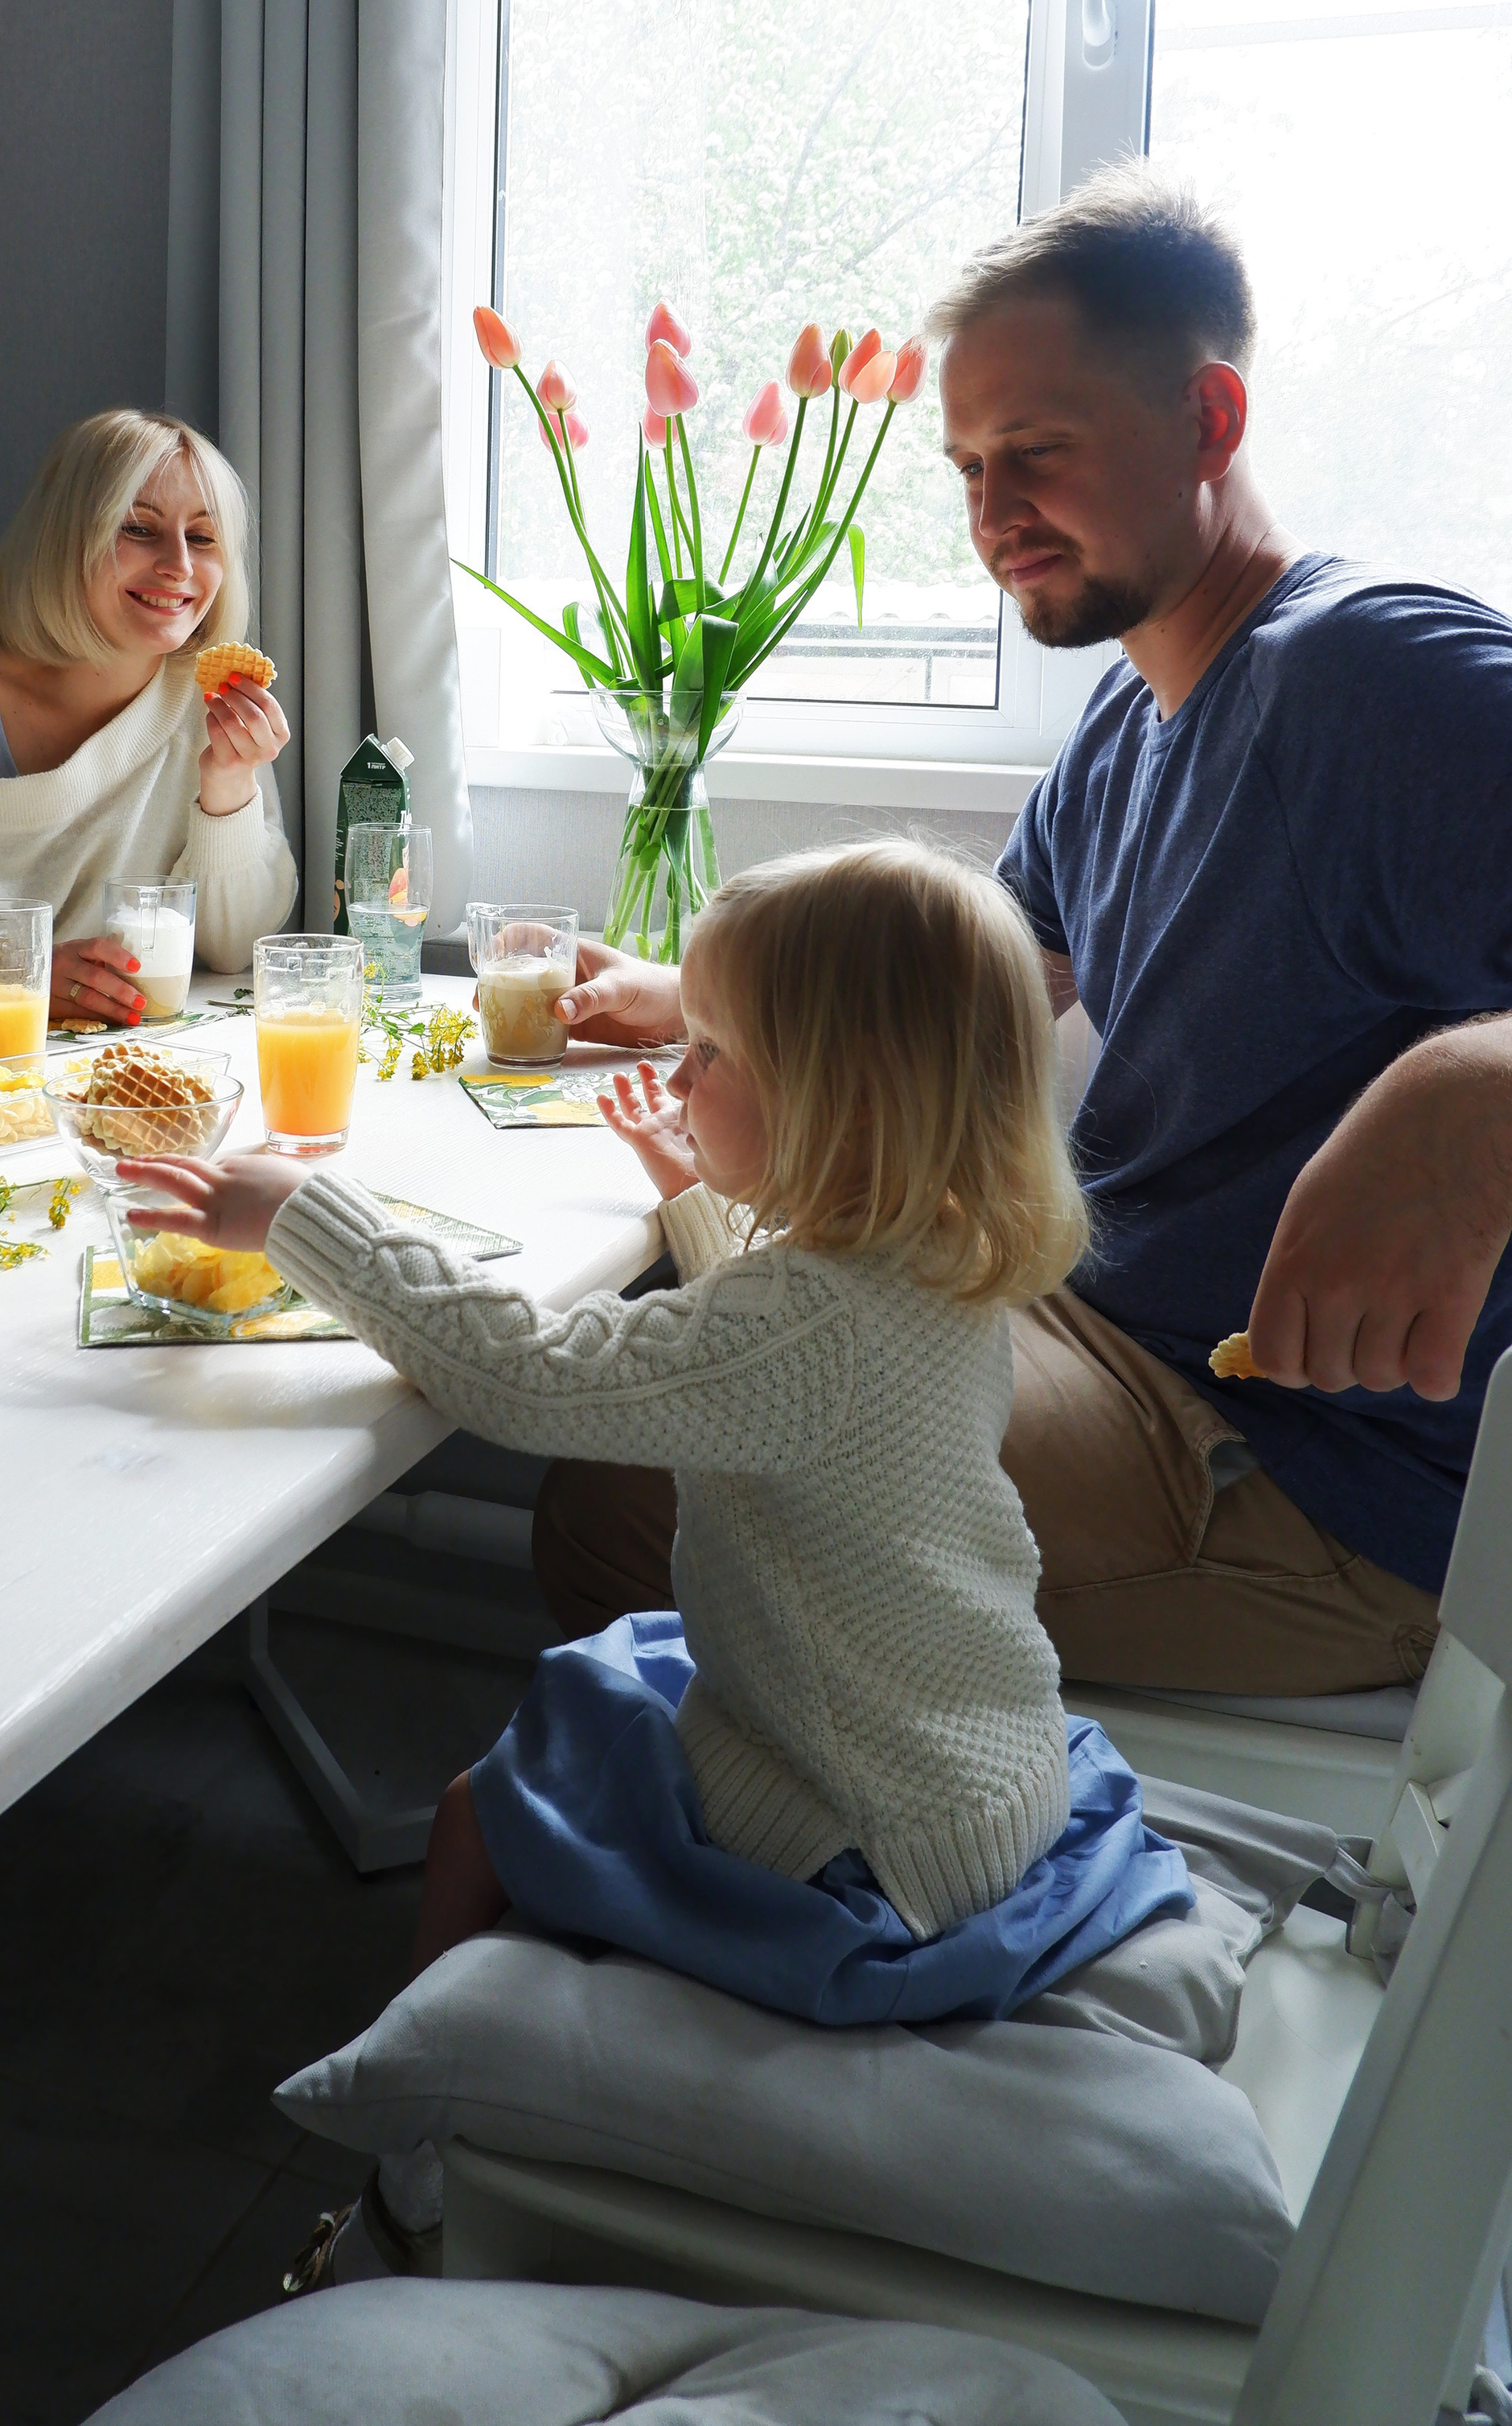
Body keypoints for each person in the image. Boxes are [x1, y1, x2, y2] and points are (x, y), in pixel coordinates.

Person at [124, 845, 1194, 2284]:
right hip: (976, 1765)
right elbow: (781, 1352)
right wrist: (705, 1203)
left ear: (839, 1104)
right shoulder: (941, 1256)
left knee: (474, 1812)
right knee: (610, 1673)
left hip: (864, 1832)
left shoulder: (800, 1329)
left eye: (712, 1055)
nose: (679, 1076)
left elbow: (526, 1377)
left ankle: (425, 2161)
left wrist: (305, 1217)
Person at [531, 162, 1512, 1696]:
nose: (993, 515)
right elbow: (967, 973)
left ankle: (810, 1894)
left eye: (1037, 453)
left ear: (1210, 421)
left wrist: (1476, 1083)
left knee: (629, 1488)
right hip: (1100, 1332)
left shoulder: (1369, 676)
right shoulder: (1133, 708)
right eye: (967, 466)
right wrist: (700, 993)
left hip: (1298, 1471)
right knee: (694, 1319)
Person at [0, 410, 297, 1020]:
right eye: (139, 529)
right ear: (66, 539)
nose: (180, 565)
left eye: (203, 538)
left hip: (145, 1057)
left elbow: (231, 950)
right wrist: (18, 963)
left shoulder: (213, 706)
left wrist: (228, 788)